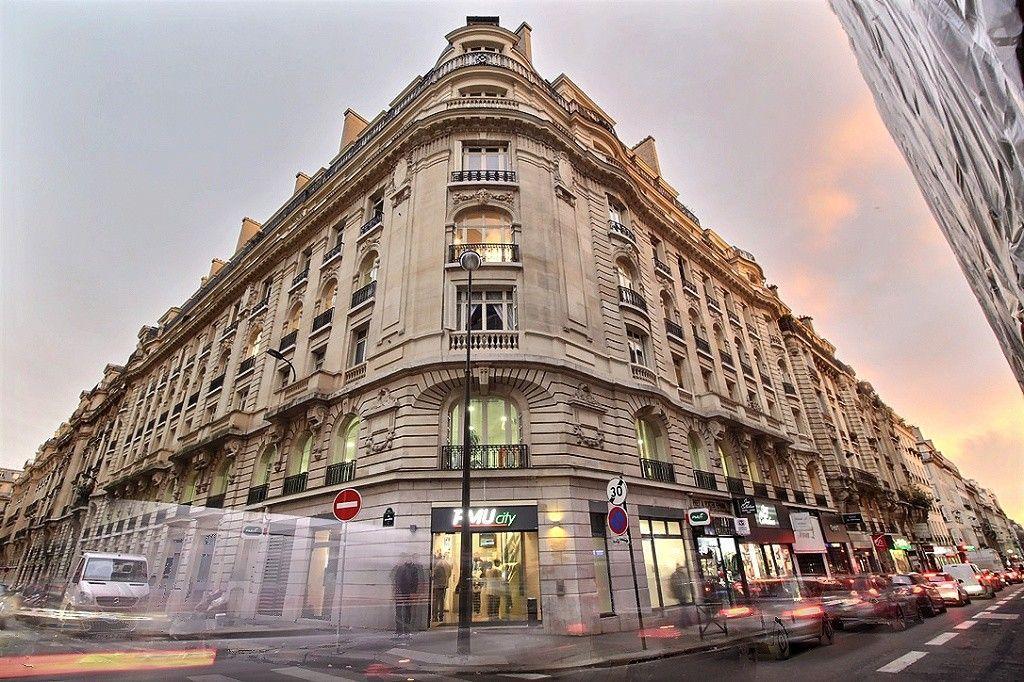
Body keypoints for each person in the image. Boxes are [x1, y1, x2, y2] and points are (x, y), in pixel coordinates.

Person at [391, 556, 422, 637]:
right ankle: (399, 630)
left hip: (406, 593)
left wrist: (413, 592)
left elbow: (415, 581)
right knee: (400, 611)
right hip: (402, 593)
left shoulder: (413, 568)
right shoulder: (400, 567)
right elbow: (394, 578)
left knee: (406, 612)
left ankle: (406, 630)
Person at [431, 551, 452, 623]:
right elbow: (449, 574)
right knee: (442, 600)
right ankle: (441, 616)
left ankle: (435, 616)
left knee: (436, 601)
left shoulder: (438, 565)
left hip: (437, 585)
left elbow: (434, 575)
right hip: (444, 584)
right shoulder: (447, 564)